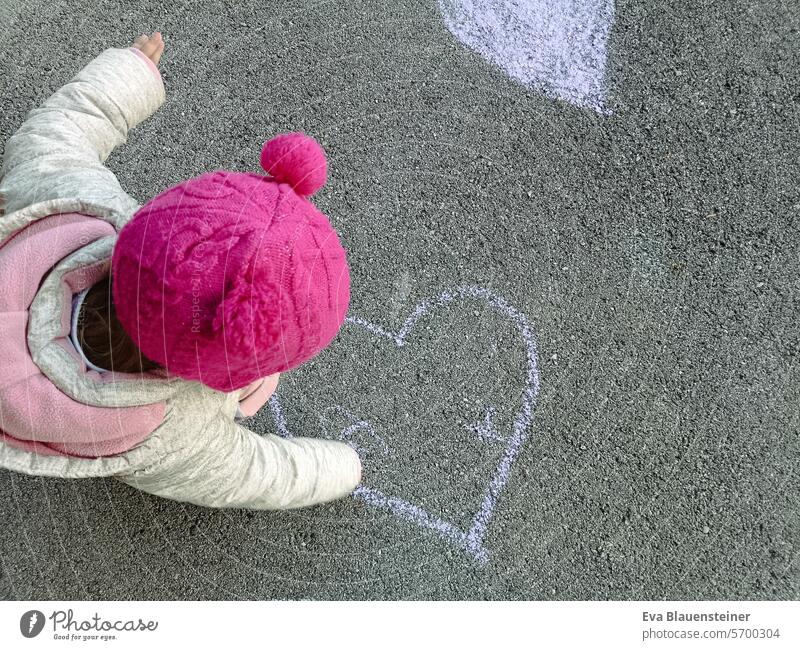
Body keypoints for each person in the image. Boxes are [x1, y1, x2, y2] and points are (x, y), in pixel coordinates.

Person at [0, 33, 362, 509]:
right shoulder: (176, 433)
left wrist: (130, 74)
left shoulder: (77, 207)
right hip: (124, 424)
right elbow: (254, 474)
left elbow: (60, 133)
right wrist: (342, 468)